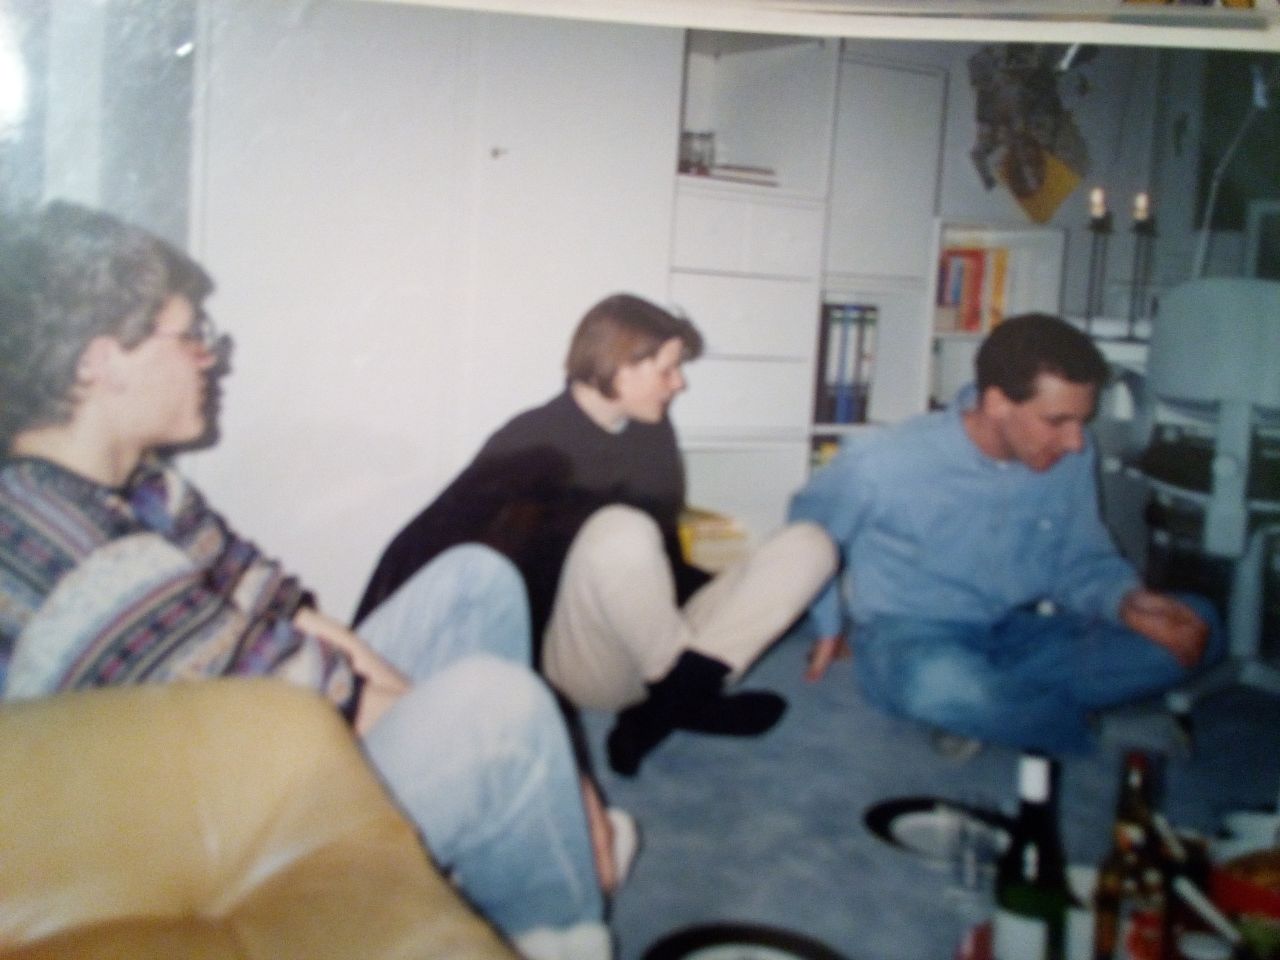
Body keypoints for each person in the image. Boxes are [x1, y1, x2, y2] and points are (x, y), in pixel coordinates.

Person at [0, 201, 623, 960]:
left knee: (475, 580)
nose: (209, 357)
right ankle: (558, 936)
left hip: (257, 734)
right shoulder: (81, 557)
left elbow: (285, 612)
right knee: (502, 711)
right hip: (202, 832)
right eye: (190, 335)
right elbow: (307, 706)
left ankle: (503, 830)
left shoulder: (142, 485)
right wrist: (539, 762)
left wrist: (539, 766)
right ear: (100, 363)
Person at [354, 293, 836, 776]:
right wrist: (368, 659)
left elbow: (666, 554)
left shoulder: (652, 432)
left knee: (811, 544)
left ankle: (670, 703)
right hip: (585, 659)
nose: (679, 383)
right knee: (620, 530)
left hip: (662, 633)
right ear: (621, 368)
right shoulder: (533, 442)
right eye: (667, 370)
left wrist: (730, 596)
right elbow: (432, 546)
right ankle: (684, 695)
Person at [789, 313, 1225, 756]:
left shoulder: (1072, 452)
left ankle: (992, 710)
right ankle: (1090, 730)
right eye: (1056, 421)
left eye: (1082, 421)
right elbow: (807, 531)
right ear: (997, 403)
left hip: (1028, 631)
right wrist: (828, 623)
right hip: (915, 635)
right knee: (934, 683)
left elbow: (1081, 557)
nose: (1075, 441)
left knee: (1199, 625)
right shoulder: (885, 459)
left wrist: (1126, 602)